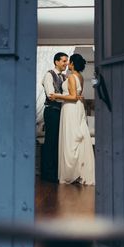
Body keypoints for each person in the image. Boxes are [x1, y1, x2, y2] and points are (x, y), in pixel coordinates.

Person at [49, 53, 95, 185]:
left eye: (69, 62)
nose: (68, 64)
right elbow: (78, 95)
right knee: (77, 138)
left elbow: (74, 96)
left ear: (73, 64)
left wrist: (56, 95)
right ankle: (80, 171)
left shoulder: (70, 77)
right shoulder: (80, 77)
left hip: (70, 108)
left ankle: (72, 173)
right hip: (78, 108)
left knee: (70, 140)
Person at [40, 52, 68, 182]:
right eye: (63, 61)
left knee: (58, 142)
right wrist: (69, 99)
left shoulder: (64, 77)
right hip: (51, 111)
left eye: (67, 61)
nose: (66, 64)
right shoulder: (48, 75)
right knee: (50, 141)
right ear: (56, 62)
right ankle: (47, 174)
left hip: (60, 112)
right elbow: (51, 95)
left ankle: (56, 172)